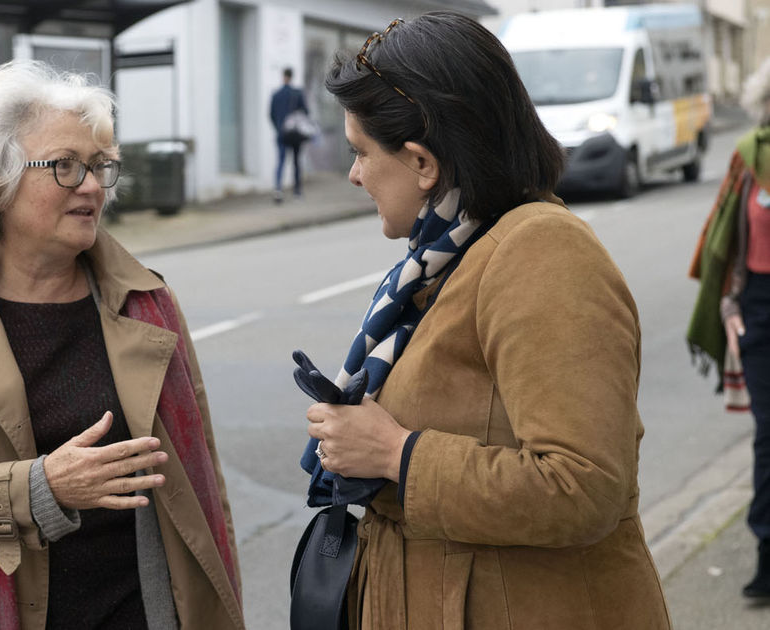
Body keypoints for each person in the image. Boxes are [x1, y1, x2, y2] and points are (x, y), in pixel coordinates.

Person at [296, 13, 671, 628]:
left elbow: (584, 486)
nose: (354, 174)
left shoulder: (543, 253)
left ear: (422, 163)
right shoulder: (449, 255)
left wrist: (396, 454)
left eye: (361, 152)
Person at [0, 60, 243, 630]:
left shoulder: (146, 301)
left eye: (98, 166)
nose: (90, 185)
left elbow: (204, 494)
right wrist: (41, 490)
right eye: (64, 165)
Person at [688, 57, 770, 600]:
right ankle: (768, 552)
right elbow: (724, 243)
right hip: (761, 309)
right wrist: (728, 306)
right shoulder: (749, 156)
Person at [269, 67, 309, 202]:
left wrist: (279, 127)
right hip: (294, 134)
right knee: (296, 162)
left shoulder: (276, 94)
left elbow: (271, 115)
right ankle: (297, 191)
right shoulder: (297, 94)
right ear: (292, 77)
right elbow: (305, 113)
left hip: (281, 133)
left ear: (283, 76)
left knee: (280, 161)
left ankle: (278, 189)